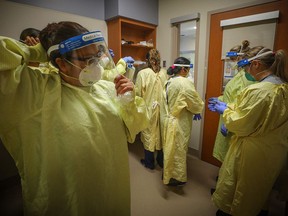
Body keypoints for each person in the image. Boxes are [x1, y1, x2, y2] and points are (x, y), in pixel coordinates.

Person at [0, 21, 149, 215]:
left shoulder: (106, 88)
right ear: (61, 63)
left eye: (97, 56)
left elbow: (136, 127)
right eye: (87, 60)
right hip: (68, 199)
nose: (95, 65)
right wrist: (36, 52)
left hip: (112, 189)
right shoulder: (36, 93)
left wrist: (129, 102)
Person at [208, 46, 288, 215]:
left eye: (246, 67)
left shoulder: (258, 90)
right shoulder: (282, 87)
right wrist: (229, 105)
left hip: (252, 153)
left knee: (240, 193)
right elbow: (256, 112)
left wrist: (226, 112)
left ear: (256, 64)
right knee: (259, 193)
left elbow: (242, 123)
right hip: (273, 150)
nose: (245, 71)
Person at [161, 57, 204, 186]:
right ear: (184, 69)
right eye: (188, 69)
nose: (189, 72)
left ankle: (167, 174)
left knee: (169, 149)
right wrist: (197, 110)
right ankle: (176, 178)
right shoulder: (185, 83)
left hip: (168, 120)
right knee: (179, 151)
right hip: (179, 122)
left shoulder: (170, 81)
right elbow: (195, 104)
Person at [135, 48, 167, 170]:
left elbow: (137, 93)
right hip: (163, 109)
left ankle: (149, 162)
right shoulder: (164, 73)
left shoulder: (143, 74)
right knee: (161, 133)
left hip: (149, 109)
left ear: (147, 60)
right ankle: (161, 160)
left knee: (148, 133)